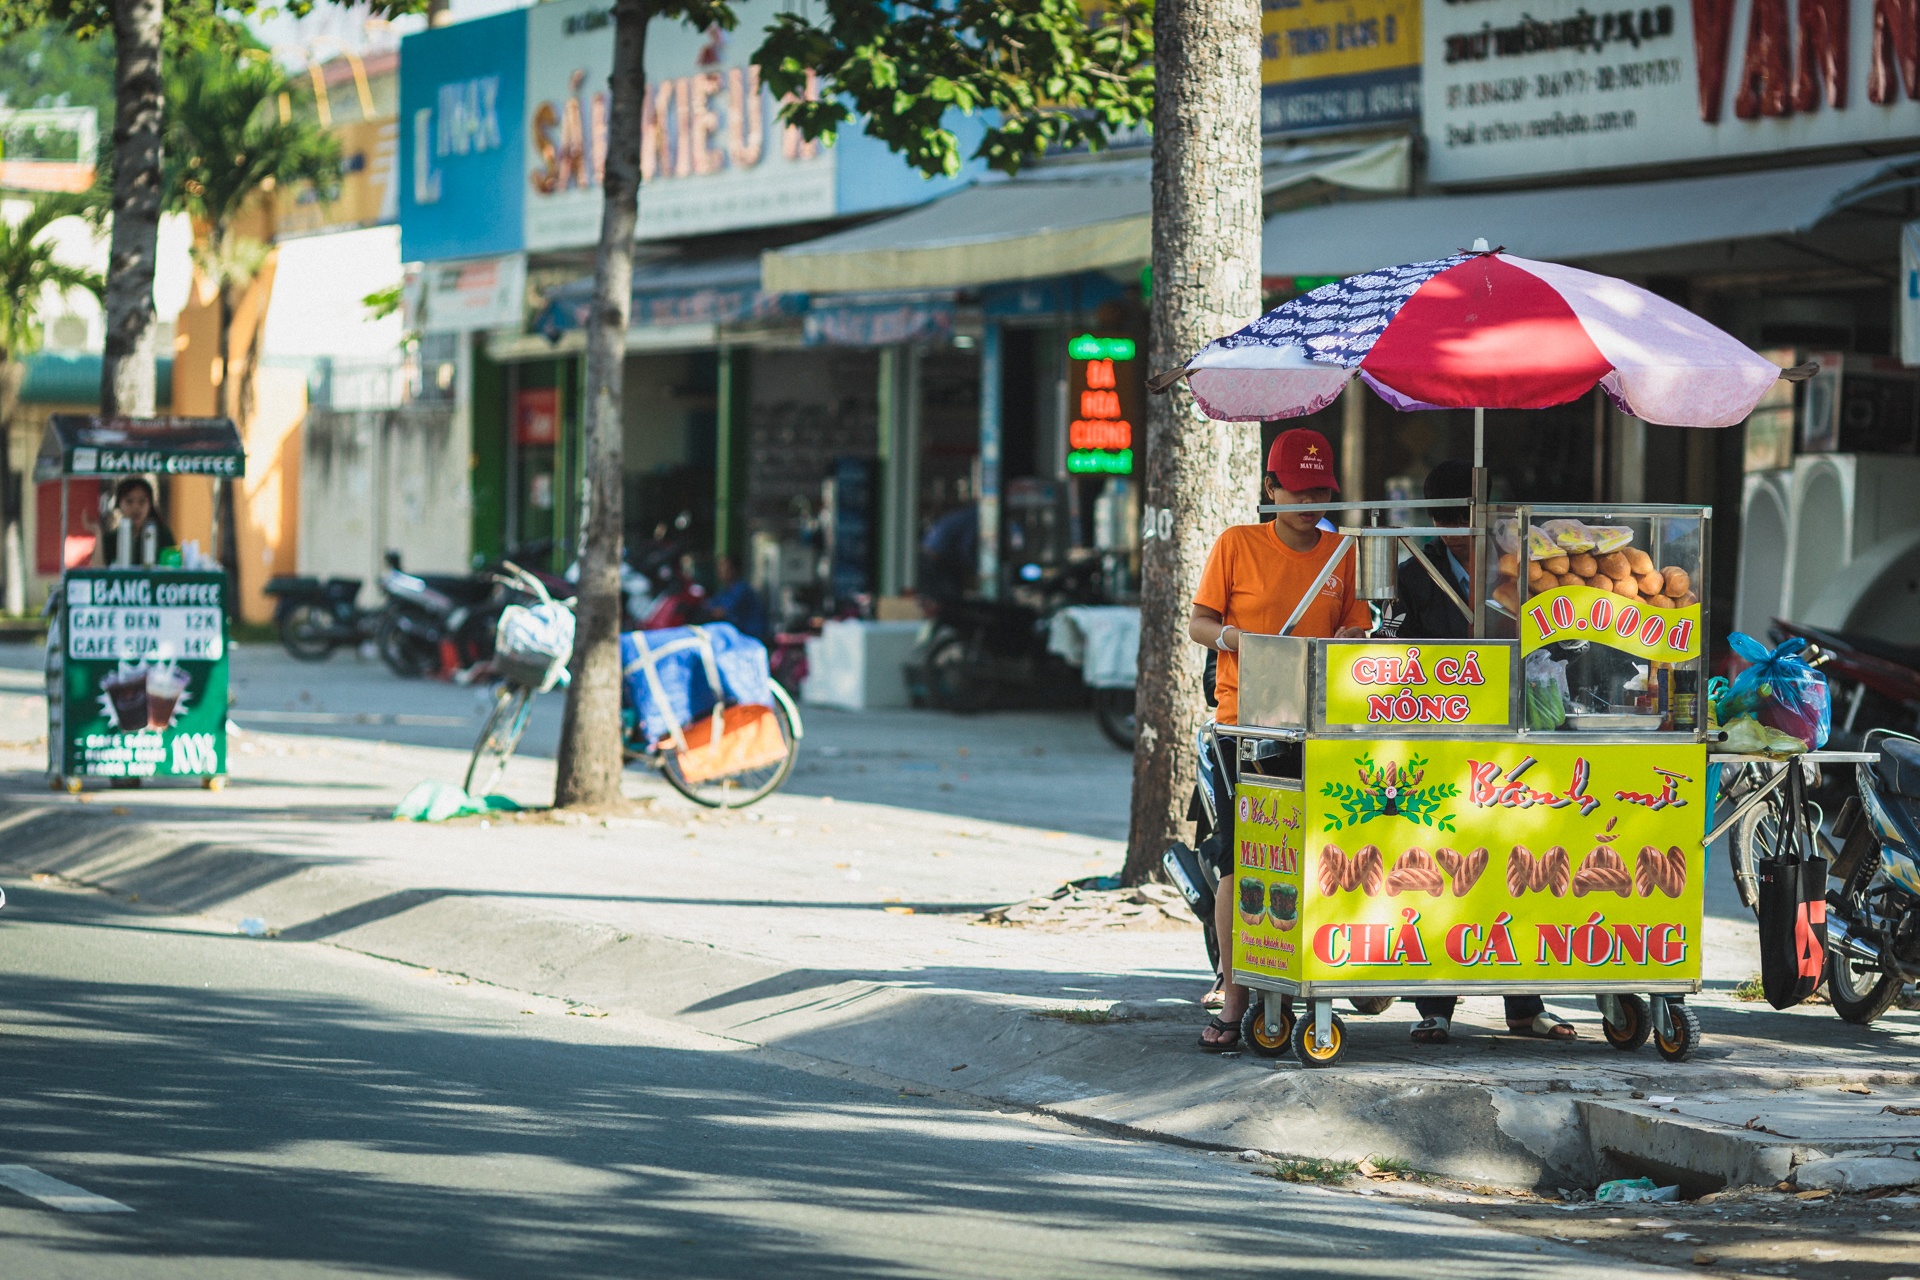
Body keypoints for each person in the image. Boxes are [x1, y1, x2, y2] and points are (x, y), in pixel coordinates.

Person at [1188, 427, 1370, 1050]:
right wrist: (1244, 644)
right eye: (1297, 490)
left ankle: (1310, 976)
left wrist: (1351, 642)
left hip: (1319, 726)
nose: (1310, 502)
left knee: (1323, 852)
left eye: (1321, 491)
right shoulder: (1238, 544)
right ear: (1271, 489)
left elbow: (1358, 624)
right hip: (1247, 723)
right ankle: (1235, 995)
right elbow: (1200, 623)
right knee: (1245, 857)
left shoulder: (1343, 551)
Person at [1393, 460, 1575, 1046]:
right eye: (1446, 520)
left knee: (1517, 860)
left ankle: (1526, 1004)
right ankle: (1435, 1006)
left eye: (1465, 517)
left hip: (1518, 730)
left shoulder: (1524, 566)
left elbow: (1560, 631)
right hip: (1444, 733)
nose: (1456, 530)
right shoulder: (1413, 574)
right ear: (1432, 520)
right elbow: (1401, 652)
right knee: (1449, 866)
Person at [96, 476, 176, 567]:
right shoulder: (111, 539)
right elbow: (97, 570)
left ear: (150, 504)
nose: (136, 507)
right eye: (129, 501)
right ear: (119, 504)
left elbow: (173, 567)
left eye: (142, 501)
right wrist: (97, 533)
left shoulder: (163, 535)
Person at [709, 553, 769, 645]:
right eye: (719, 567)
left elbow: (720, 612)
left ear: (734, 570)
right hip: (739, 637)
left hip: (751, 639)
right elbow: (709, 606)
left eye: (725, 568)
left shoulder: (742, 589)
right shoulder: (725, 590)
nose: (720, 571)